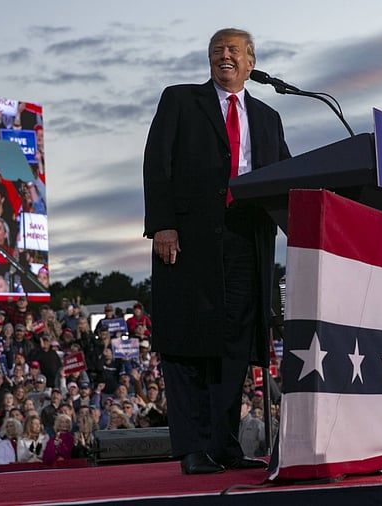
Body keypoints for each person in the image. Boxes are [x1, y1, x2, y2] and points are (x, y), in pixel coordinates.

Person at [142, 28, 289, 475]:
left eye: (232, 50)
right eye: (216, 50)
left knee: (234, 346)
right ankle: (192, 449)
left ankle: (223, 446)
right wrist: (163, 224)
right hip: (188, 240)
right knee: (187, 341)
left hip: (248, 238)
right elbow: (157, 162)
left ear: (250, 61)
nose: (223, 56)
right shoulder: (181, 100)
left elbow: (286, 173)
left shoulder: (267, 117)